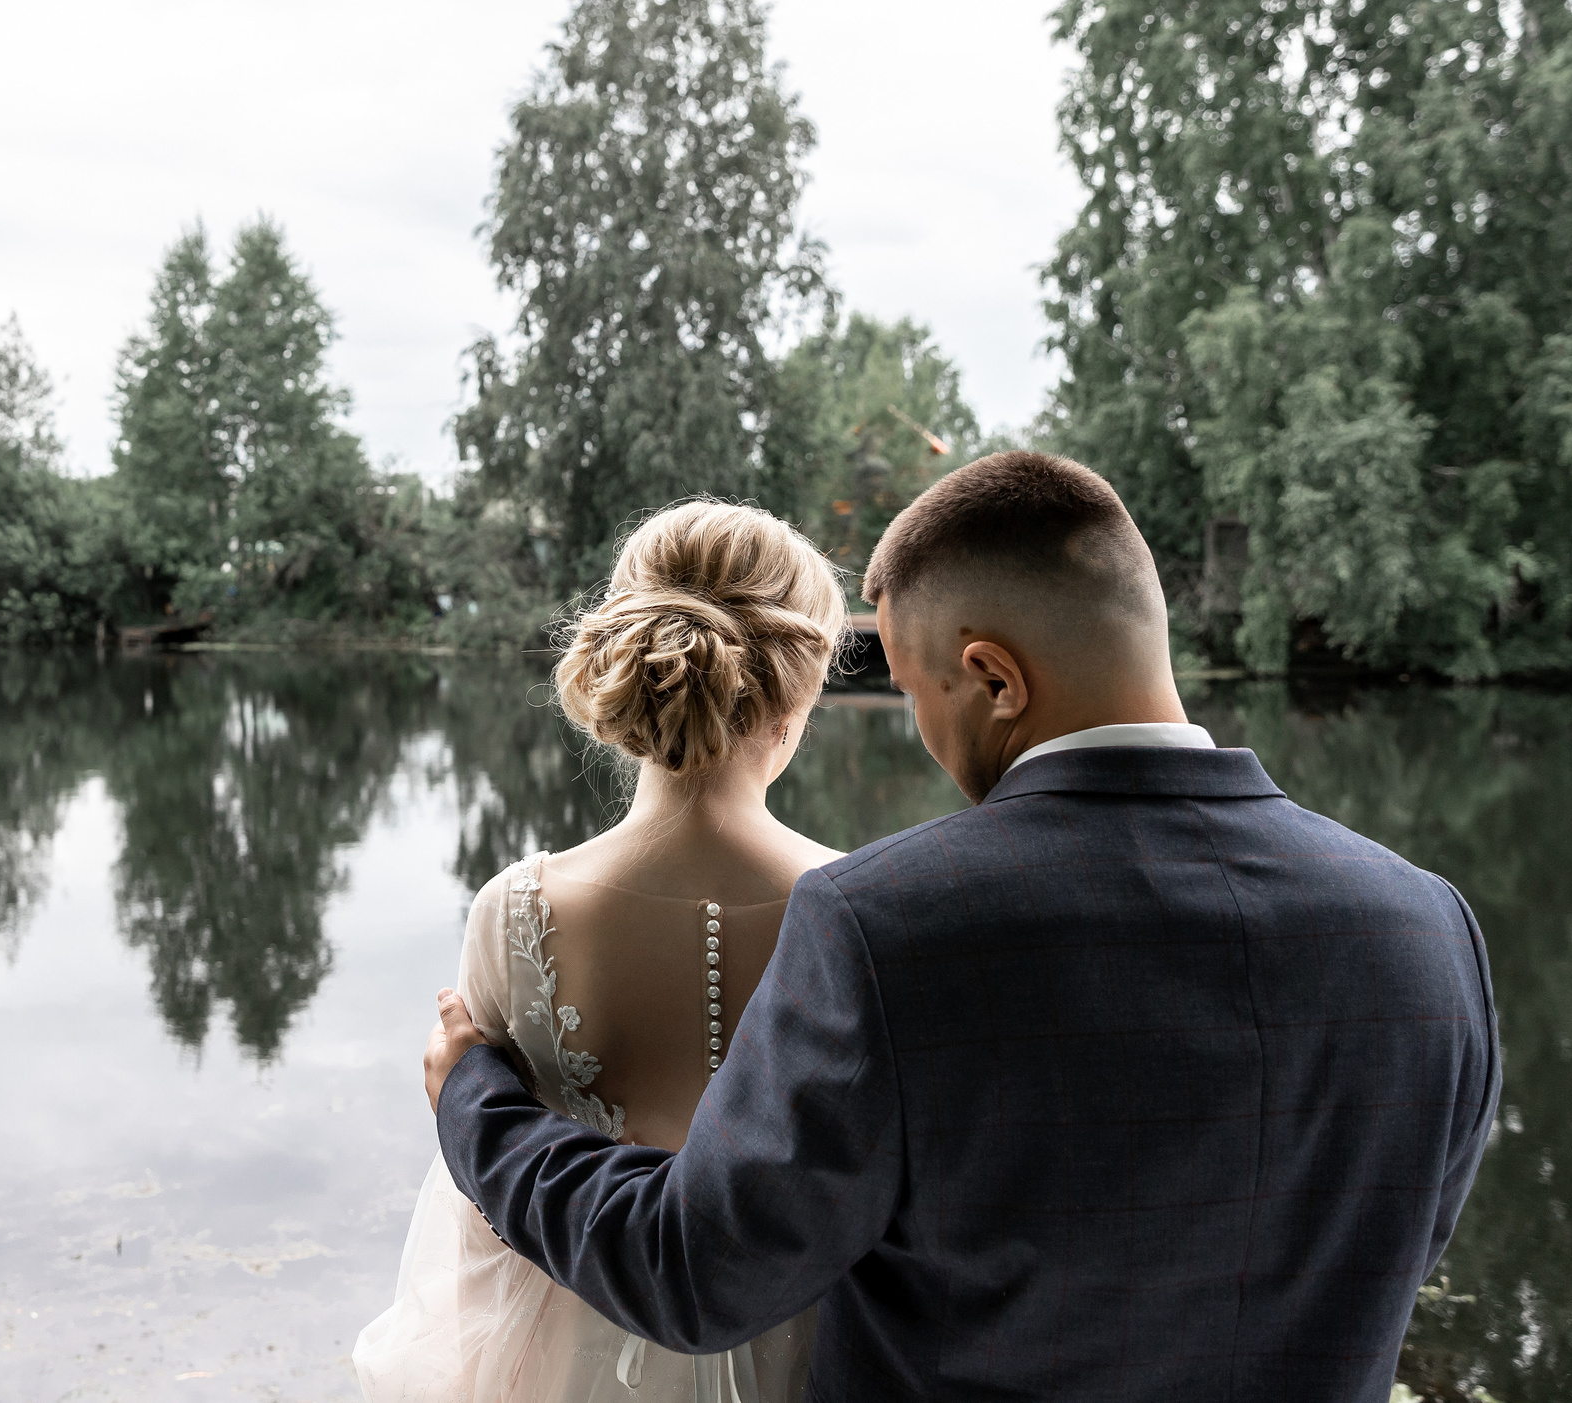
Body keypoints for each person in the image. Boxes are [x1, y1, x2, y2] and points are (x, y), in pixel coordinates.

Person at [423, 452, 1502, 1402]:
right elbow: (1396, 1247)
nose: (923, 733)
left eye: (910, 690)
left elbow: (698, 1271)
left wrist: (477, 1101)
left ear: (991, 675)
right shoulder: (1425, 928)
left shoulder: (888, 924)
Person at [356, 499, 855, 1402]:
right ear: (800, 688)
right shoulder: (870, 907)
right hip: (808, 1352)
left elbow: (482, 1214)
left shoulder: (518, 910)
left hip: (572, 1354)